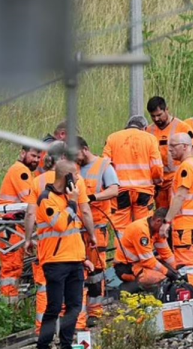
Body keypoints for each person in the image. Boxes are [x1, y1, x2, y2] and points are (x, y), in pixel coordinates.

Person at [23, 160, 97, 349]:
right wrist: (72, 202)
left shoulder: (68, 197)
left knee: (74, 306)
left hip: (75, 260)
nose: (79, 178)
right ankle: (44, 344)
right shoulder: (47, 199)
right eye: (76, 175)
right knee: (54, 307)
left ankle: (66, 344)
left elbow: (74, 229)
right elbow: (60, 224)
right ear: (67, 177)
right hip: (55, 262)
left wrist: (84, 257)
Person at [76, 136, 119, 326]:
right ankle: (79, 312)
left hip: (97, 227)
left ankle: (95, 311)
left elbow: (114, 190)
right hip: (76, 229)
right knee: (77, 270)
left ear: (85, 149)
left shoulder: (104, 166)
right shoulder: (73, 168)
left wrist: (93, 197)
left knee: (96, 272)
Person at [159, 133, 193, 297]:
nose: (170, 150)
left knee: (187, 265)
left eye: (173, 146)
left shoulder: (186, 167)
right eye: (169, 146)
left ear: (185, 146)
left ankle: (192, 303)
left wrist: (167, 221)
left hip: (185, 224)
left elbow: (180, 195)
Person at [0, 146, 40, 303]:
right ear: (23, 153)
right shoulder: (21, 171)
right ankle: (8, 308)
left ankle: (10, 306)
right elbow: (30, 203)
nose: (36, 160)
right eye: (33, 155)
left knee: (12, 267)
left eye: (38, 157)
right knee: (11, 267)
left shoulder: (20, 170)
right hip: (8, 225)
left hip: (8, 224)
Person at [103, 115, 163, 234]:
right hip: (144, 192)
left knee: (120, 228)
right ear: (144, 128)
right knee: (143, 225)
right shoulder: (150, 138)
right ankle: (142, 249)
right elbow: (156, 165)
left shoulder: (113, 138)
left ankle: (122, 251)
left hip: (120, 191)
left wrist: (109, 186)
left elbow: (105, 164)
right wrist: (158, 180)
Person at [146, 96, 193, 209]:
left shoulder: (182, 127)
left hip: (176, 179)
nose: (156, 119)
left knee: (176, 212)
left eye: (159, 115)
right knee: (161, 215)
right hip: (159, 183)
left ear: (167, 110)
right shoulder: (149, 131)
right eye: (153, 116)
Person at [113, 208, 178, 291]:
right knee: (161, 278)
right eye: (167, 226)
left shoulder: (157, 230)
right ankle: (127, 289)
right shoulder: (141, 230)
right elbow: (148, 261)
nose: (167, 229)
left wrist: (178, 270)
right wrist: (169, 273)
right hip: (126, 267)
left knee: (166, 268)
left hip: (140, 263)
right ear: (158, 221)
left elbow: (166, 254)